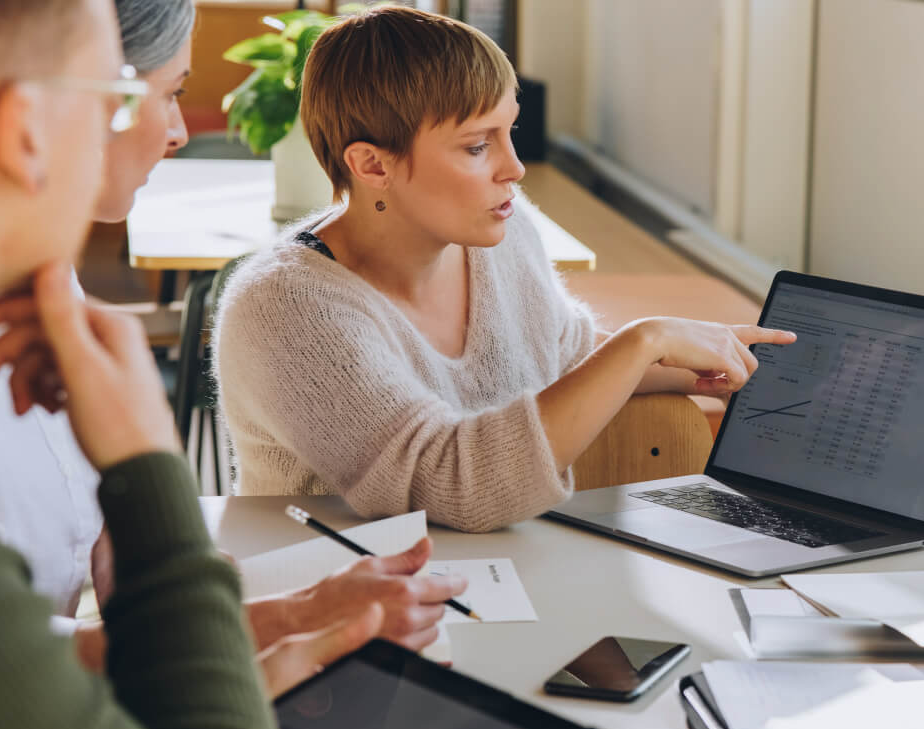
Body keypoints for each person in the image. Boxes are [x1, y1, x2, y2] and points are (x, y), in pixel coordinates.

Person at [0, 0, 333, 729]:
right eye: (119, 98)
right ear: (25, 129)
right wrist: (148, 465)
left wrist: (238, 628)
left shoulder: (34, 307)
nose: (164, 130)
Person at [0, 0, 466, 697]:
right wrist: (282, 625)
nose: (175, 132)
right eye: (162, 96)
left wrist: (274, 616)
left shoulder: (47, 295)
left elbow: (115, 572)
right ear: (26, 128)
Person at [214, 5, 795, 533]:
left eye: (509, 131)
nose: (514, 167)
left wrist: (712, 365)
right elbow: (453, 487)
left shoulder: (504, 235)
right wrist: (649, 337)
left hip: (500, 576)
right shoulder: (284, 306)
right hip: (345, 610)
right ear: (371, 165)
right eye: (476, 146)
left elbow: (561, 355)